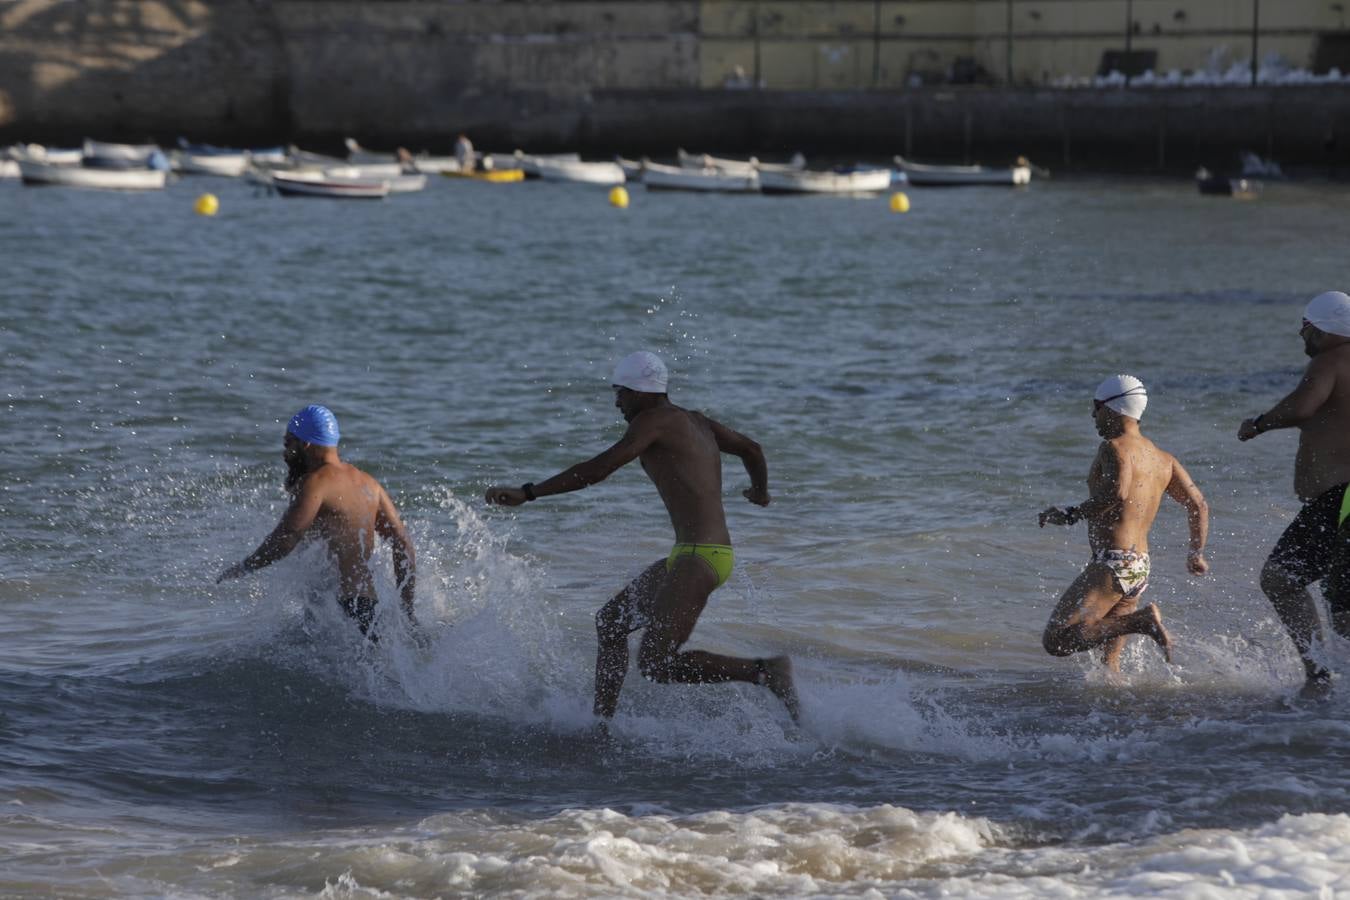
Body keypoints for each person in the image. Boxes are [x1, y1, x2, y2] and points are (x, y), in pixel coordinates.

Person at [484, 351, 799, 723]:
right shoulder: (695, 421)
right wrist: (759, 492)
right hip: (692, 554)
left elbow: (600, 468)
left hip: (700, 558)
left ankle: (765, 673)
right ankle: (601, 725)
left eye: (620, 392)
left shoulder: (654, 421)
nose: (617, 401)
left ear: (639, 391)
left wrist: (530, 492)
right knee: (611, 622)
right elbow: (752, 449)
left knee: (656, 664)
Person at [1039, 375, 1210, 671]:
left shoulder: (1113, 447)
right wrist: (1196, 552)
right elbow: (1198, 504)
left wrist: (1069, 514)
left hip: (1114, 562)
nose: (1093, 415)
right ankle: (1115, 713)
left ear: (1114, 408)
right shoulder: (1163, 458)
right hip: (1139, 565)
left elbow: (1116, 493)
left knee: (1056, 640)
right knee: (1110, 666)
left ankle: (1142, 621)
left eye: (1096, 407)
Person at [217, 405, 417, 636]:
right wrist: (407, 611)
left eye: (287, 444)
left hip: (340, 610)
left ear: (305, 444)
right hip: (366, 605)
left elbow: (288, 537)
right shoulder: (369, 483)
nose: (285, 453)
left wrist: (246, 566)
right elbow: (403, 543)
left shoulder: (316, 482)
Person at [1238, 291, 1350, 698]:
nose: (1301, 335)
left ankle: (1320, 678)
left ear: (1322, 329)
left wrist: (1260, 424)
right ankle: (1333, 697)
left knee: (1281, 578)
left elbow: (1304, 405)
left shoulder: (1331, 360)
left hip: (1342, 499)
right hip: (1340, 500)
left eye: (1305, 327)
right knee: (1341, 606)